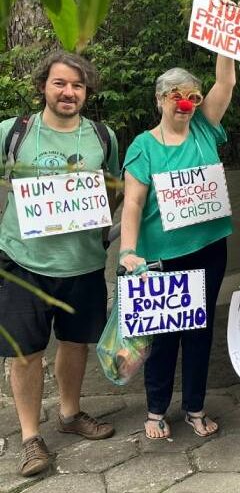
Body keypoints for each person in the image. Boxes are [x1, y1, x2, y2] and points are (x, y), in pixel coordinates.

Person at [0, 52, 119, 476]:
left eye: (78, 86)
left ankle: (70, 415)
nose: (69, 92)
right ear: (43, 86)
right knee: (25, 352)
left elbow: (113, 189)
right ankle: (31, 438)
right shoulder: (13, 133)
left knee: (75, 343)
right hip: (23, 261)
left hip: (83, 263)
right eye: (60, 83)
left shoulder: (102, 137)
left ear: (87, 92)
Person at [119, 52, 235, 440]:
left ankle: (195, 407)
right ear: (160, 100)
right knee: (163, 334)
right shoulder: (143, 146)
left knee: (200, 330)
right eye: (175, 95)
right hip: (161, 256)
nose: (184, 103)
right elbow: (133, 202)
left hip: (209, 248)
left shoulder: (205, 129)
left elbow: (227, 84)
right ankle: (155, 410)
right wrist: (127, 250)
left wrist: (225, 47)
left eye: (192, 96)